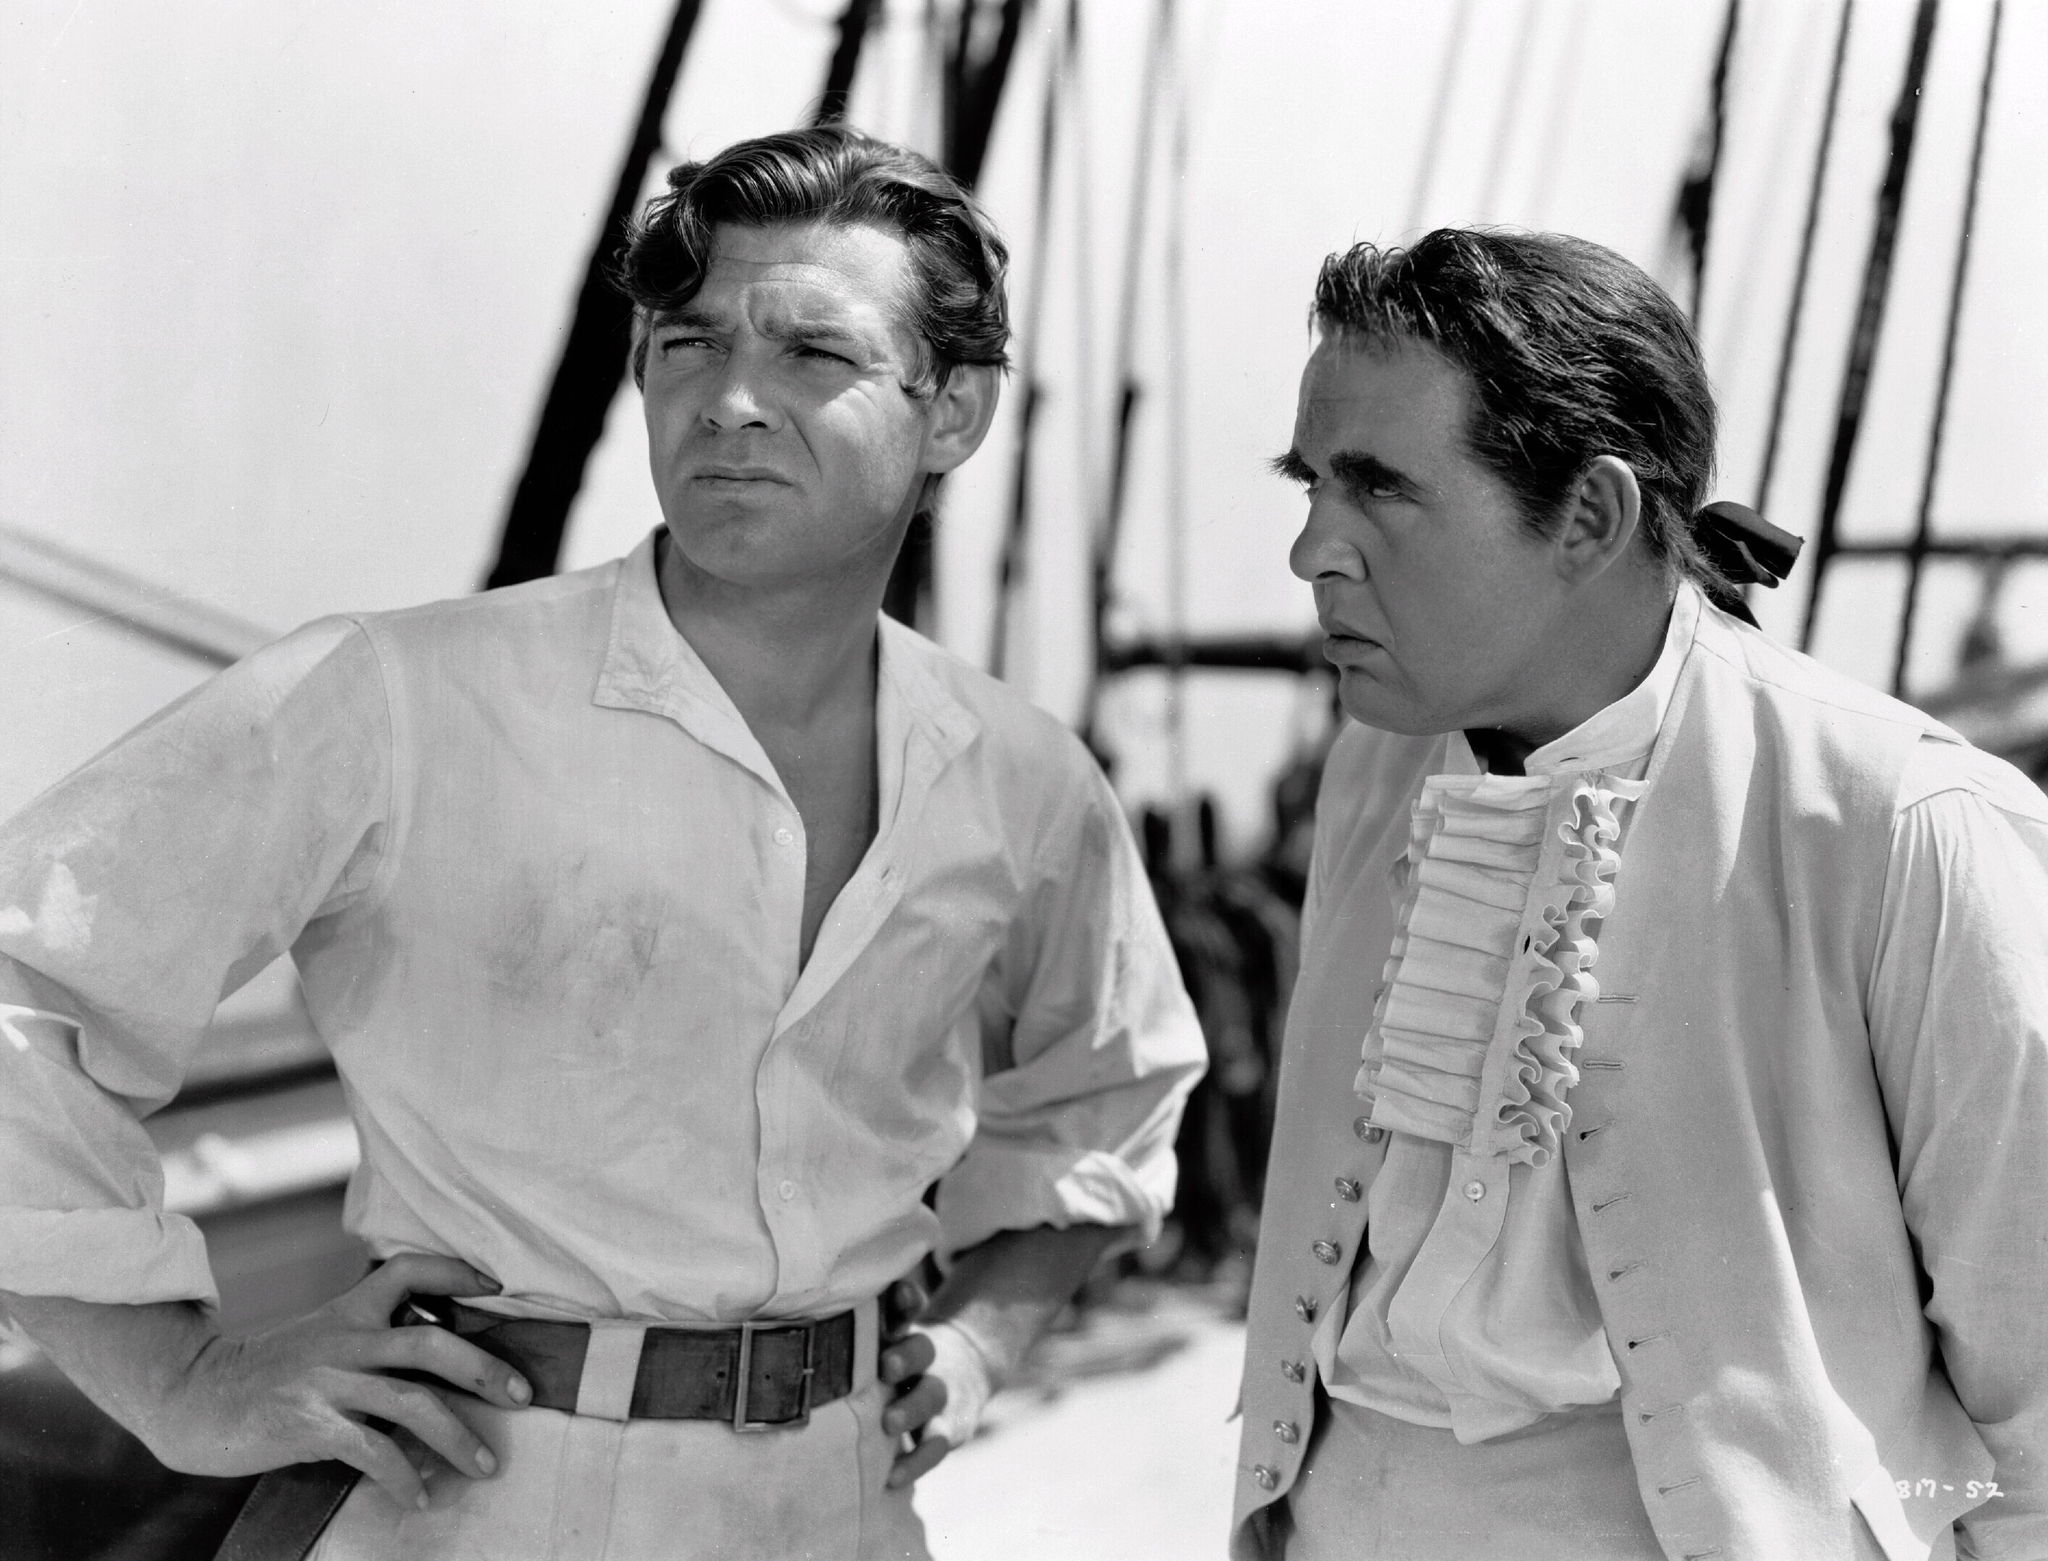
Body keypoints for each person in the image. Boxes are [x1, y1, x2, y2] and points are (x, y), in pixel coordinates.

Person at [0, 126, 1204, 1561]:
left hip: (845, 1505)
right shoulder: (395, 698)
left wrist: (984, 1339)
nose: (731, 401)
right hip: (474, 1494)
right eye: (688, 345)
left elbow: (1113, 1086)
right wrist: (181, 1382)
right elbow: (22, 984)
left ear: (954, 410)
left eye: (814, 354)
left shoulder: (1021, 778)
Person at [1232, 229, 2046, 1560]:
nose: (1313, 549)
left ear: (1592, 518)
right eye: (1311, 483)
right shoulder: (1373, 773)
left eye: (1378, 488)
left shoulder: (1905, 821)